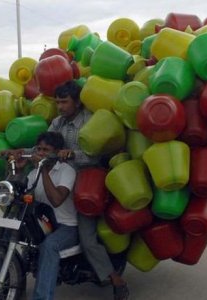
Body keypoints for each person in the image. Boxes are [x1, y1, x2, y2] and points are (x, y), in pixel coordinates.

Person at [49, 80, 129, 300]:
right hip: (61, 182)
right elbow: (45, 146)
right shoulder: (57, 123)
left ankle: (116, 280)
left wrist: (72, 155)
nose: (60, 107)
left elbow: (95, 156)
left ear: (77, 102)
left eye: (64, 102)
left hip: (86, 184)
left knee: (87, 238)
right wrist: (20, 152)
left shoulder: (91, 121)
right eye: (57, 102)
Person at [25, 131, 78, 300]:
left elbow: (56, 200)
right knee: (10, 231)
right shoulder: (32, 174)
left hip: (67, 227)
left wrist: (43, 170)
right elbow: (21, 198)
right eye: (39, 149)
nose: (41, 153)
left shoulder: (66, 171)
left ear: (57, 152)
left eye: (46, 150)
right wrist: (16, 169)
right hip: (44, 224)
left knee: (49, 246)